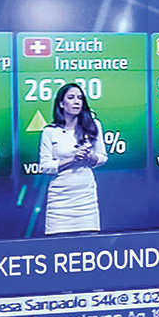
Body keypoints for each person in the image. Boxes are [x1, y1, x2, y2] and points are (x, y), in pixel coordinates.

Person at [39, 82, 107, 234]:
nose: (77, 102)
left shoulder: (93, 126)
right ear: (62, 104)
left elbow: (102, 158)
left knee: (88, 246)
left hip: (85, 199)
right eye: (71, 98)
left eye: (80, 98)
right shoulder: (50, 132)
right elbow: (44, 166)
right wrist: (72, 159)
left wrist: (90, 157)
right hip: (59, 202)